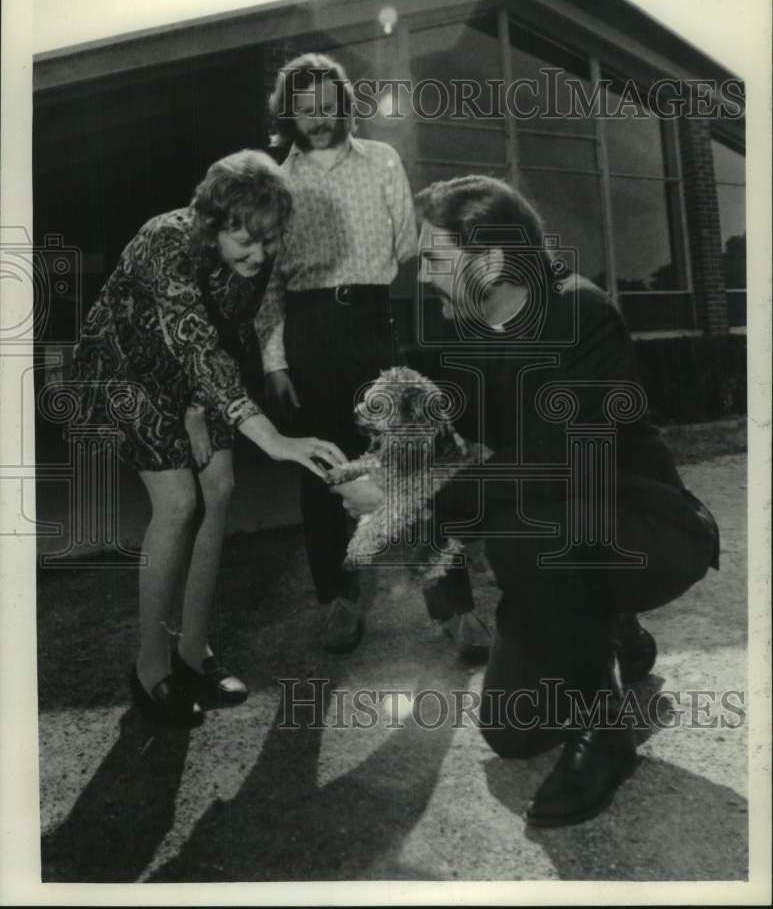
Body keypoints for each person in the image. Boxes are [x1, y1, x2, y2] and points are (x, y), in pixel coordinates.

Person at [334, 175, 720, 827]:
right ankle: (608, 625)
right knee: (511, 735)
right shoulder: (473, 325)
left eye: (433, 259)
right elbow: (464, 439)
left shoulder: (580, 313)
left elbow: (554, 465)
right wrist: (390, 455)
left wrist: (403, 496)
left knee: (524, 523)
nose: (423, 276)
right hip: (563, 527)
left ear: (486, 259)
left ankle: (607, 729)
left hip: (641, 527)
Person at [70, 150, 345, 727]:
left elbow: (227, 333)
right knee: (178, 503)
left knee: (218, 487)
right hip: (124, 370)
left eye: (269, 242)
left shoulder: (254, 256)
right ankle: (150, 669)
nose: (260, 255)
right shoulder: (163, 242)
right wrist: (269, 435)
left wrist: (199, 409)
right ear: (213, 222)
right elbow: (192, 339)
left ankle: (193, 653)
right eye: (247, 241)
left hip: (190, 376)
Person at [257, 52, 490, 657]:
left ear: (344, 104)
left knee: (412, 463)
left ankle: (456, 611)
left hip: (372, 322)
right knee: (324, 474)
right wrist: (275, 363)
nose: (318, 118)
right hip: (307, 330)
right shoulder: (276, 183)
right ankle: (338, 602)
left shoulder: (382, 160)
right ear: (290, 114)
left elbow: (405, 248)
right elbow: (270, 285)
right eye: (304, 109)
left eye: (327, 104)